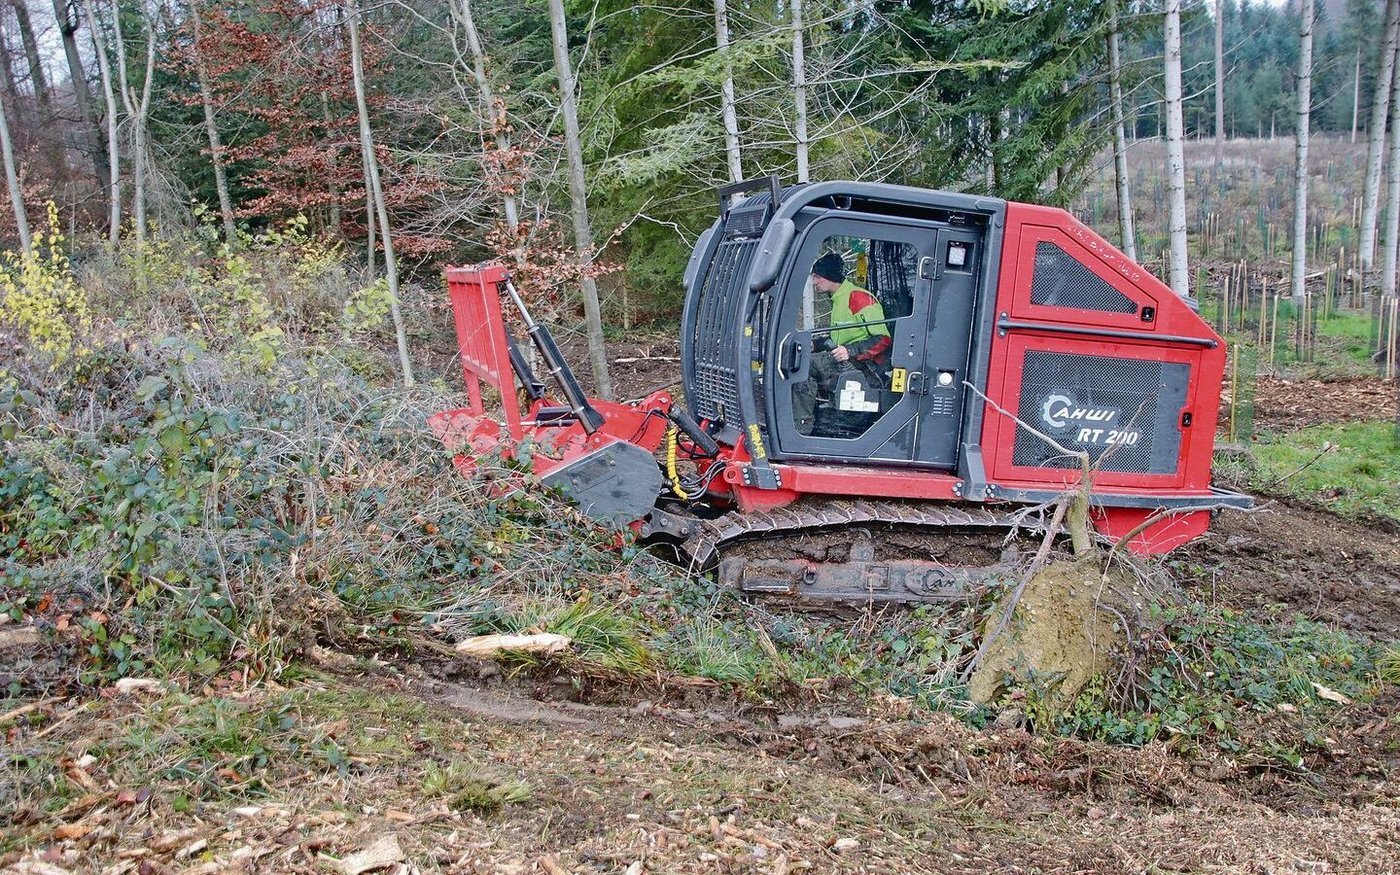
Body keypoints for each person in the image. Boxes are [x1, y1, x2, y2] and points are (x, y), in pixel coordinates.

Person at [793, 252, 892, 434]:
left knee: (805, 367)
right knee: (801, 358)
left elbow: (883, 338)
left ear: (830, 276)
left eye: (817, 277)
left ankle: (801, 428)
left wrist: (851, 350)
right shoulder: (838, 299)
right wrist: (816, 344)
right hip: (848, 359)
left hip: (866, 365)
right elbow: (838, 339)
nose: (814, 283)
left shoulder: (859, 298)